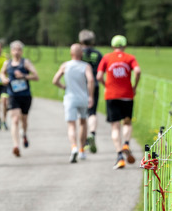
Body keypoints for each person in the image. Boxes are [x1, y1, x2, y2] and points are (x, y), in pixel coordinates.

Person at [97, 35, 141, 170]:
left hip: (111, 95)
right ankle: (126, 143)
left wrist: (106, 85)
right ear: (125, 46)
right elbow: (138, 71)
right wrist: (134, 86)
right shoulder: (130, 58)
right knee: (127, 122)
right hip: (127, 95)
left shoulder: (106, 58)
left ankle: (119, 157)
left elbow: (99, 76)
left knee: (115, 126)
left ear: (112, 46)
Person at [52, 43, 95, 163]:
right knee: (83, 123)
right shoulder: (86, 66)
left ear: (71, 53)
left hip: (70, 98)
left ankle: (74, 147)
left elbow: (55, 80)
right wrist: (90, 96)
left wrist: (63, 86)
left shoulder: (65, 66)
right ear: (81, 54)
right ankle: (82, 150)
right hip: (83, 98)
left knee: (71, 125)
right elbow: (91, 80)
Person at [1, 41, 39, 157]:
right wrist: (3, 79)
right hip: (13, 95)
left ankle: (24, 133)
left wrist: (24, 76)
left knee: (24, 119)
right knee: (15, 119)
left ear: (22, 51)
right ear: (11, 51)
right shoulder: (7, 63)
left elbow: (36, 76)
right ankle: (16, 146)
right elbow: (2, 73)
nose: (16, 52)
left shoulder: (25, 62)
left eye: (19, 50)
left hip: (25, 95)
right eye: (14, 50)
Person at [79, 29, 103, 153]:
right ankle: (92, 133)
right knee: (92, 112)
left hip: (81, 85)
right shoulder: (98, 54)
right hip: (95, 85)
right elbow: (101, 71)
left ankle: (82, 142)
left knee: (82, 114)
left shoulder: (79, 53)